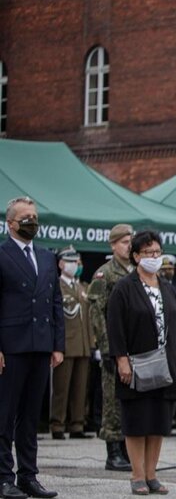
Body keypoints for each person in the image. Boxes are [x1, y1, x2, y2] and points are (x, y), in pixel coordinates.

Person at [107, 230, 176, 495]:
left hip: (165, 365)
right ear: (136, 256)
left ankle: (152, 475)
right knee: (137, 422)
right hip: (136, 364)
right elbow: (115, 327)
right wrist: (121, 360)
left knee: (158, 422)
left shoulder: (166, 287)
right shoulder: (125, 287)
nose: (154, 257)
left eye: (157, 252)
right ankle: (137, 475)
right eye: (148, 253)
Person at [0, 197, 63, 499]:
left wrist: (57, 344)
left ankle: (28, 476)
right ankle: (3, 477)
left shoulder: (47, 256)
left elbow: (56, 303)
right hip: (11, 346)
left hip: (40, 344)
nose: (32, 221)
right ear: (10, 223)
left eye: (35, 216)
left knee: (30, 416)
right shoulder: (1, 254)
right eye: (26, 217)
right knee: (5, 413)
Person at [87, 223, 135, 472]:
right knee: (111, 399)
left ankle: (128, 449)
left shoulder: (136, 271)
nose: (129, 246)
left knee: (131, 399)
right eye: (125, 242)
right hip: (113, 346)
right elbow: (97, 314)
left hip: (135, 346)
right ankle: (113, 451)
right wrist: (106, 348)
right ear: (113, 245)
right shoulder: (104, 274)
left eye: (131, 242)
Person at [51, 246, 95, 440]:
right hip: (66, 345)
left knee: (81, 387)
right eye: (70, 261)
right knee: (61, 387)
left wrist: (92, 344)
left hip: (83, 344)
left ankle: (77, 424)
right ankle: (57, 425)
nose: (75, 265)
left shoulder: (82, 287)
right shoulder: (56, 286)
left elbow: (89, 316)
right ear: (61, 264)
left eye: (76, 261)